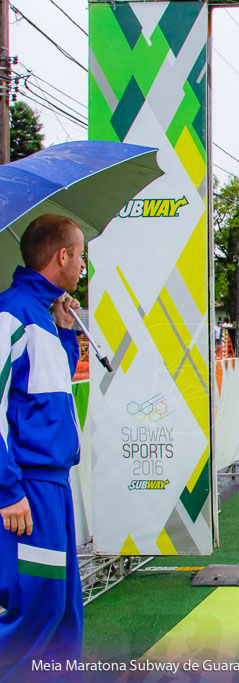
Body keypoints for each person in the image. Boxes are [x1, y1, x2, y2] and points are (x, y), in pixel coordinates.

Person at [0, 214, 86, 677]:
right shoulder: (10, 311)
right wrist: (7, 488)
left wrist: (66, 329)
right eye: (81, 258)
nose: (82, 268)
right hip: (29, 487)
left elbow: (52, 384)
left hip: (54, 485)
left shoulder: (42, 315)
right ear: (62, 256)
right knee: (35, 608)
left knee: (64, 609)